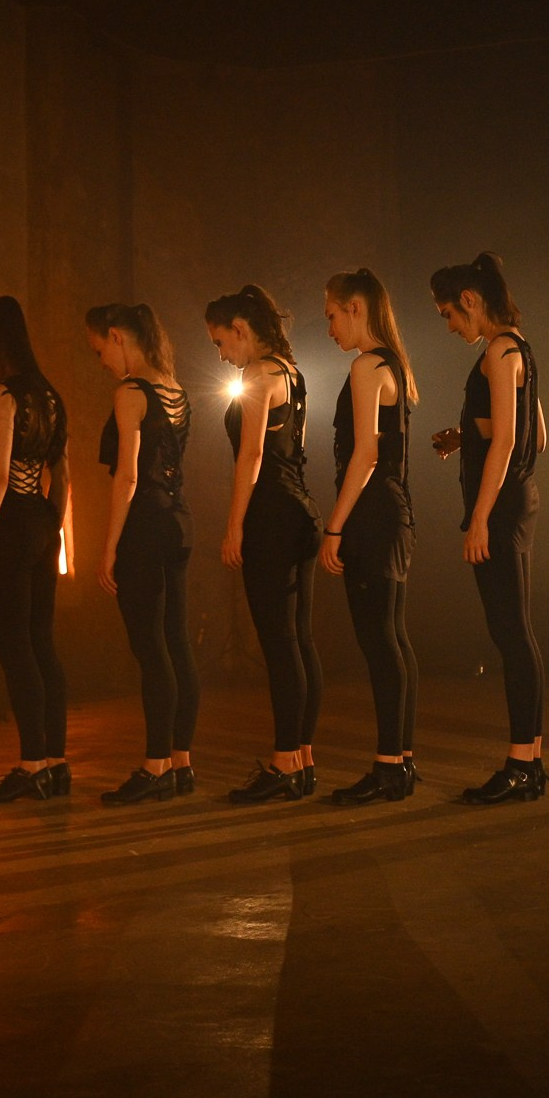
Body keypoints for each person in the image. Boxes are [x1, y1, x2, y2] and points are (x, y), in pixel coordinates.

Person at [431, 253, 549, 804]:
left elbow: (507, 441)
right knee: (513, 632)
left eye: (449, 314)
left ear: (472, 301)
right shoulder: (518, 347)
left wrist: (479, 516)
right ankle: (530, 761)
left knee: (512, 634)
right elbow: (535, 436)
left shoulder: (499, 351)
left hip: (500, 507)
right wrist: (465, 437)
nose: (451, 325)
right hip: (517, 498)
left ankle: (523, 764)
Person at [207, 285, 324, 804]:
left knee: (279, 645)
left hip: (272, 516)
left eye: (220, 341)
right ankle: (301, 760)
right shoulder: (292, 373)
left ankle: (283, 765)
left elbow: (251, 456)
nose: (221, 354)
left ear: (240, 328)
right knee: (299, 641)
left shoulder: (257, 374)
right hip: (301, 510)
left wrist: (235, 525)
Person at [0, 296, 71, 805]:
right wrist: (52, 519)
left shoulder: (4, 395)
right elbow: (61, 471)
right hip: (43, 524)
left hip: (8, 528)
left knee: (15, 647)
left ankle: (31, 766)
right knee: (40, 642)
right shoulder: (49, 395)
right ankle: (54, 762)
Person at [87, 303, 200, 805]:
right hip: (178, 521)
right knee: (176, 643)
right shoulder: (175, 390)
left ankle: (154, 768)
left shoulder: (131, 392)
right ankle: (180, 763)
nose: (103, 361)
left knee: (151, 648)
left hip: (146, 526)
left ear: (118, 337)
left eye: (100, 349)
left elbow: (128, 477)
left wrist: (108, 547)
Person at [320, 269, 422, 805]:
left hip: (372, 515)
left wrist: (334, 525)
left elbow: (365, 454)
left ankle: (389, 767)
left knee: (381, 642)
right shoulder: (394, 366)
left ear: (355, 307)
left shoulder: (366, 366)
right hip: (394, 513)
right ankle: (399, 761)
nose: (331, 327)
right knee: (393, 638)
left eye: (333, 315)